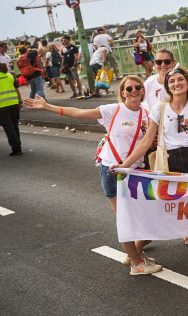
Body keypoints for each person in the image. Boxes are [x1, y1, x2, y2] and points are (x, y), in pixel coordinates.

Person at [25, 76, 162, 275]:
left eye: (137, 87)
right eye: (128, 88)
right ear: (122, 92)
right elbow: (79, 112)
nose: (134, 91)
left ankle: (134, 253)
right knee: (126, 219)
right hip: (112, 169)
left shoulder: (146, 114)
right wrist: (48, 107)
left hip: (135, 170)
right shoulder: (112, 111)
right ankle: (136, 263)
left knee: (145, 218)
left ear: (143, 90)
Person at [112, 67, 188, 277]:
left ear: (187, 82)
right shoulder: (160, 109)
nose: (177, 83)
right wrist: (126, 164)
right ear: (167, 86)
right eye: (172, 81)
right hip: (172, 162)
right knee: (187, 210)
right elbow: (147, 141)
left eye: (181, 79)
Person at [0, 63, 23, 156]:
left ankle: (16, 148)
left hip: (2, 105)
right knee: (14, 125)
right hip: (14, 103)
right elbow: (17, 90)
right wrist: (20, 102)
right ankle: (18, 146)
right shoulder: (10, 75)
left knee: (8, 127)